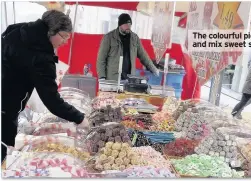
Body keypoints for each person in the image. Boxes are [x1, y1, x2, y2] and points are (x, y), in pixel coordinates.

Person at [1, 10, 89, 162]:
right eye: (64, 36)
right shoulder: (41, 56)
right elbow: (52, 100)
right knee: (4, 157)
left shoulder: (18, 29)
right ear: (51, 31)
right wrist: (79, 118)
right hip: (5, 108)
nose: (65, 42)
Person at [97, 13, 159, 81]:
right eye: (126, 24)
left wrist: (154, 69)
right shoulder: (109, 38)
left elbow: (143, 56)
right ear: (120, 25)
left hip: (129, 80)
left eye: (130, 24)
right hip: (113, 79)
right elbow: (101, 59)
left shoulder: (135, 38)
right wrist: (102, 77)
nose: (128, 26)